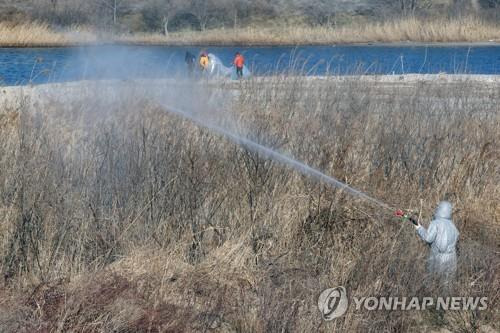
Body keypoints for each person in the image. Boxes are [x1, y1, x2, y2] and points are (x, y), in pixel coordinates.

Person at [415, 201, 459, 287]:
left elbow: (428, 238)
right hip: (452, 259)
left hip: (437, 257)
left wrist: (419, 228)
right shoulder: (453, 226)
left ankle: (429, 299)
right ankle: (447, 300)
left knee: (432, 282)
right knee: (447, 285)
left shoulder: (435, 223)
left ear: (440, 209)